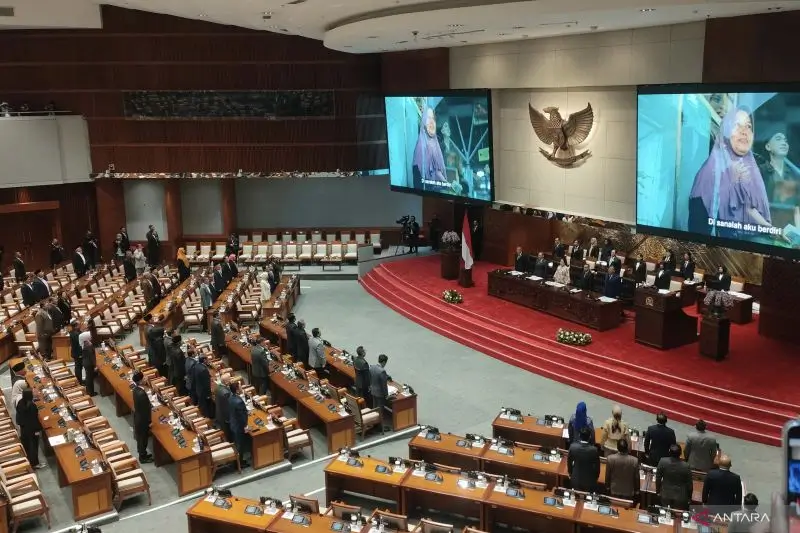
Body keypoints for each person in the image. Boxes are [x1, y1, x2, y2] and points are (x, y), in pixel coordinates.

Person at [688, 105, 772, 238]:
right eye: (736, 125)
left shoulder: (750, 171)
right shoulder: (708, 177)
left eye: (748, 126)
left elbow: (749, 208)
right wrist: (730, 182)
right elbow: (698, 237)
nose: (744, 131)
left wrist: (772, 230)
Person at [412, 107, 448, 192]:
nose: (432, 122)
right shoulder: (421, 149)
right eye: (428, 118)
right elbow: (420, 183)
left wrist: (446, 184)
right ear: (423, 122)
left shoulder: (436, 148)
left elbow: (438, 173)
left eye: (433, 119)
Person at [656, 444, 692, 510]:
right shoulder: (686, 466)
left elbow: (658, 478)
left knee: (665, 514)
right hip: (680, 496)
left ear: (669, 452)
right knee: (677, 517)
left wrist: (657, 491)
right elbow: (689, 484)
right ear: (680, 453)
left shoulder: (662, 461)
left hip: (665, 494)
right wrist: (689, 497)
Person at [16, 388, 44, 469]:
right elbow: (34, 419)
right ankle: (36, 464)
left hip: (24, 429)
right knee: (34, 447)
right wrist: (38, 430)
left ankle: (31, 463)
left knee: (28, 447)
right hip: (32, 430)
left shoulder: (21, 403)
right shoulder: (32, 406)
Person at [568, 427, 600, 492]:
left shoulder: (573, 447)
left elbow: (569, 463)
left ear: (579, 435)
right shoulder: (594, 450)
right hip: (589, 480)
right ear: (590, 437)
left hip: (575, 478)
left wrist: (571, 474)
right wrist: (595, 478)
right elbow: (597, 467)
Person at [132, 371, 154, 463]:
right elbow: (146, 410)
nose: (146, 378)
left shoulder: (136, 389)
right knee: (142, 439)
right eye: (144, 377)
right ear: (140, 381)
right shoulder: (141, 394)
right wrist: (149, 422)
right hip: (142, 420)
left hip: (138, 417)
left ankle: (143, 454)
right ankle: (143, 458)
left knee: (141, 439)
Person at [228, 381, 249, 468]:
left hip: (233, 423)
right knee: (240, 445)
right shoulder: (239, 401)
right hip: (239, 426)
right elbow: (242, 417)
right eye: (240, 387)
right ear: (237, 390)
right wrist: (245, 426)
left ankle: (238, 461)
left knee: (237, 443)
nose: (241, 388)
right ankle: (239, 463)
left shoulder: (230, 397)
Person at [370, 354, 391, 431]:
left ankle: (375, 424)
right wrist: (386, 395)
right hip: (380, 394)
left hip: (373, 391)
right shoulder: (382, 371)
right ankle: (380, 427)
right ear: (384, 362)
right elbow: (384, 385)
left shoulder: (372, 367)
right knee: (380, 410)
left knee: (375, 408)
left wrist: (386, 376)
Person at [215, 377, 233, 442]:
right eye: (229, 379)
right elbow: (230, 405)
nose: (231, 380)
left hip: (220, 413)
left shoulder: (218, 388)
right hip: (227, 417)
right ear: (226, 382)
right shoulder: (226, 393)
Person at [69, 320, 83, 384]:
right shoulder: (76, 334)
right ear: (76, 326)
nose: (80, 325)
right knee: (78, 367)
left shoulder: (74, 332)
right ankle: (79, 381)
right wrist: (81, 354)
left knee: (78, 366)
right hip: (78, 353)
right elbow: (79, 344)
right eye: (79, 324)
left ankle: (79, 380)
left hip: (76, 352)